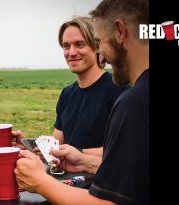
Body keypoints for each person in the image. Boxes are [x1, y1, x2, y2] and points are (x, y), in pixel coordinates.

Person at [14, 0, 149, 204]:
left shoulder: (131, 100)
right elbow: (135, 169)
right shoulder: (67, 93)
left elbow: (111, 200)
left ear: (120, 32)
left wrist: (40, 182)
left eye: (99, 42)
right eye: (66, 46)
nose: (102, 57)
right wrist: (34, 147)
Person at [12, 16, 130, 160]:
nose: (71, 52)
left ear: (97, 47)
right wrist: (30, 146)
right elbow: (57, 146)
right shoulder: (66, 94)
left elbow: (122, 149)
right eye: (66, 46)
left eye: (79, 45)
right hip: (66, 178)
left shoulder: (119, 90)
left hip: (101, 180)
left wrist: (76, 152)